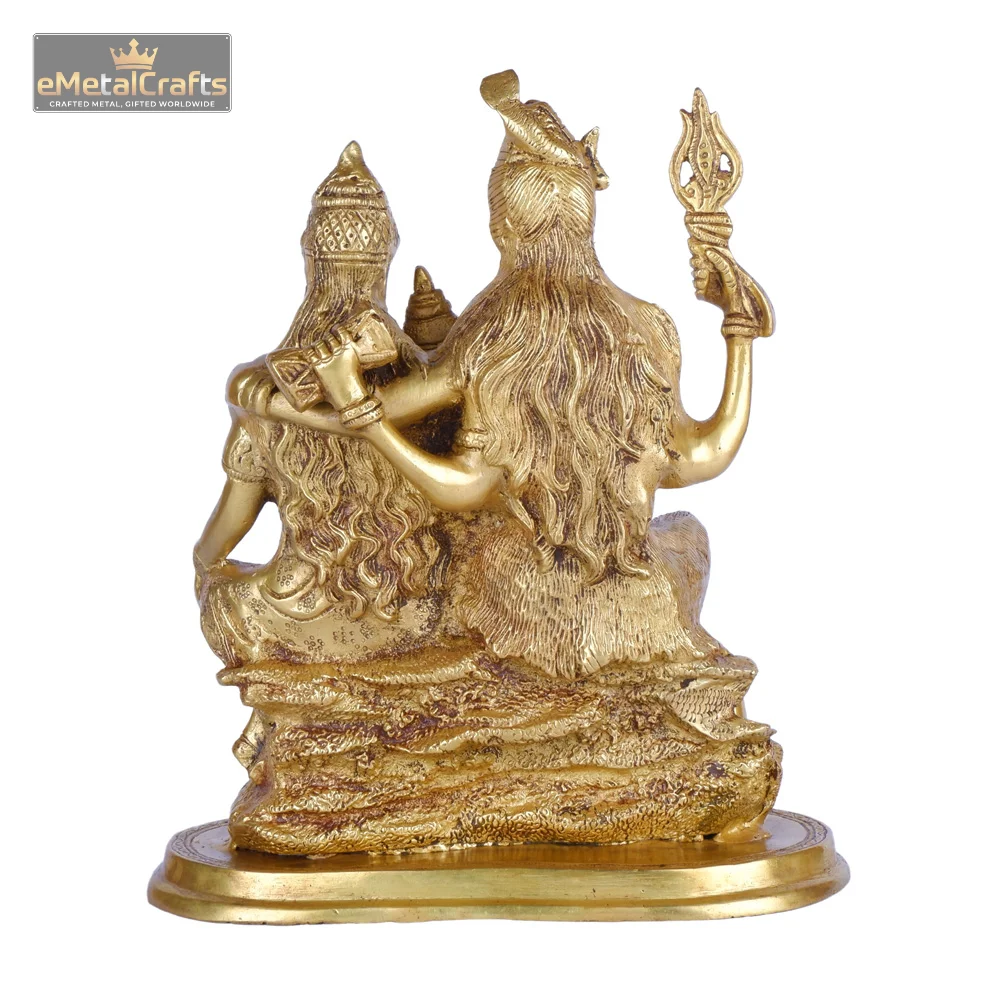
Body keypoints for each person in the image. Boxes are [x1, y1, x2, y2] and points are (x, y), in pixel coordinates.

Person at [195, 142, 450, 685]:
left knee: (225, 599)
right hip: (418, 614)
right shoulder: (424, 383)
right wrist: (433, 342)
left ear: (311, 260)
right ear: (385, 262)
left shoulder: (262, 393)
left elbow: (224, 536)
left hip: (297, 615)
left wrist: (204, 564)